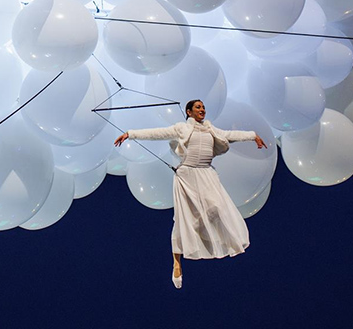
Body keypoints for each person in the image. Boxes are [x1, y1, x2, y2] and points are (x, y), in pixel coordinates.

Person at [114, 99, 267, 289]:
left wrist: (253, 136)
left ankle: (209, 239)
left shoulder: (211, 130)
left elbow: (230, 135)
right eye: (198, 107)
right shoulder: (182, 128)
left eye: (203, 107)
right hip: (187, 175)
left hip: (206, 173)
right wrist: (130, 134)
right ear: (189, 112)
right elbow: (157, 133)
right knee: (184, 219)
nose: (202, 109)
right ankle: (176, 263)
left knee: (217, 208)